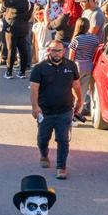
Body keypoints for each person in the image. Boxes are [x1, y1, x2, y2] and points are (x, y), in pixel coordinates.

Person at [28, 38, 82, 179]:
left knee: (63, 140)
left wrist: (80, 102)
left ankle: (61, 167)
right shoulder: (40, 68)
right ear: (48, 51)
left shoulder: (71, 66)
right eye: (53, 50)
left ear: (64, 51)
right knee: (43, 138)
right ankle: (44, 155)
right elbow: (34, 89)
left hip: (65, 111)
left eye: (59, 50)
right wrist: (35, 107)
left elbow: (76, 85)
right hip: (45, 112)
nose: (56, 53)